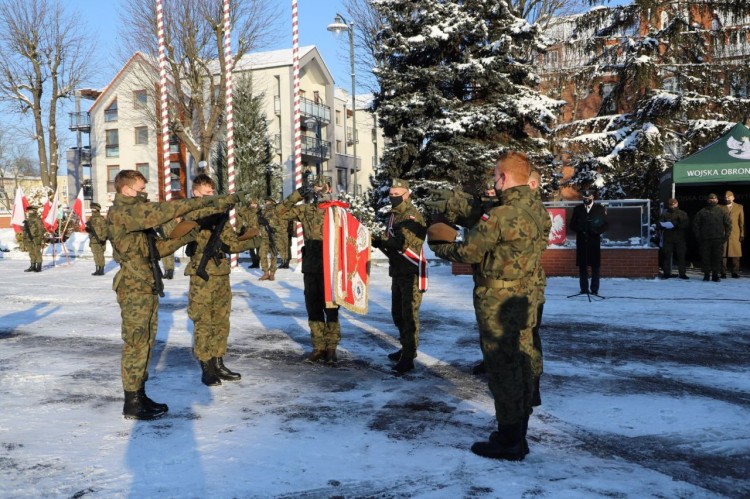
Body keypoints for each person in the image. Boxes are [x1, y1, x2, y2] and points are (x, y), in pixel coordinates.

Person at [429, 150, 547, 461]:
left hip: (498, 301)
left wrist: (438, 243)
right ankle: (517, 433)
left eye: (495, 176)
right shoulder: (536, 210)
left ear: (505, 178)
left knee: (502, 369)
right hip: (525, 297)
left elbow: (468, 252)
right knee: (521, 363)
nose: (492, 182)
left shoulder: (500, 216)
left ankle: (509, 441)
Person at [107, 169, 240, 420]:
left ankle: (139, 394)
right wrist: (209, 201)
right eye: (140, 190)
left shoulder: (135, 215)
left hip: (144, 285)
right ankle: (132, 401)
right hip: (133, 287)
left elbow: (156, 249)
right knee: (136, 343)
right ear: (126, 190)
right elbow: (166, 211)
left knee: (145, 342)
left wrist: (187, 235)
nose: (144, 195)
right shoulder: (124, 212)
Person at [184, 174, 262, 386]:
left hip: (221, 274)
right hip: (202, 275)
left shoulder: (219, 215)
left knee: (221, 320)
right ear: (195, 193)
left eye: (212, 192)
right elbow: (201, 214)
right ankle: (206, 366)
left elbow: (232, 244)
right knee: (203, 321)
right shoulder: (190, 210)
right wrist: (223, 202)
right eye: (207, 193)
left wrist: (255, 238)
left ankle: (218, 362)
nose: (211, 196)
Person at [276, 177, 341, 364]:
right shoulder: (306, 211)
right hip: (311, 267)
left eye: (324, 187)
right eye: (317, 187)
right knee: (313, 307)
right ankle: (318, 346)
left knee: (331, 308)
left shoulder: (337, 211)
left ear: (330, 188)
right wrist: (299, 193)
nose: (320, 190)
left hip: (331, 267)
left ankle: (331, 348)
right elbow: (280, 212)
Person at [372, 178, 427, 374]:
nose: (394, 198)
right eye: (391, 195)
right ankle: (405, 347)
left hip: (411, 272)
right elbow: (393, 245)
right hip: (398, 270)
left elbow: (404, 244)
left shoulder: (411, 216)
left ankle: (409, 356)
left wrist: (382, 241)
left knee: (409, 316)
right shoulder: (394, 215)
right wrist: (381, 243)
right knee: (398, 314)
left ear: (407, 194)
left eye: (397, 195)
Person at [569, 189, 608, 295]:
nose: (586, 200)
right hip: (582, 241)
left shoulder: (599, 209)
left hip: (594, 241)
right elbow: (572, 224)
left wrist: (596, 231)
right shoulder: (578, 209)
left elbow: (605, 225)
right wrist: (580, 229)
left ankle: (594, 289)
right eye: (584, 198)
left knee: (595, 266)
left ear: (592, 198)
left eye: (588, 198)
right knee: (583, 266)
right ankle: (584, 289)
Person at [693, 193, 731, 282]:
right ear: (707, 200)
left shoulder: (722, 211)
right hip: (705, 240)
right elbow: (696, 225)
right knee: (705, 258)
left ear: (717, 200)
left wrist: (726, 237)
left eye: (714, 199)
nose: (712, 200)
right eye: (710, 199)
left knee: (717, 258)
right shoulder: (702, 211)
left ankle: (715, 275)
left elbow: (728, 225)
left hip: (718, 239)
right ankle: (706, 275)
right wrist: (698, 237)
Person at [659, 198, 690, 279]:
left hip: (680, 238)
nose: (672, 206)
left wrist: (677, 224)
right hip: (668, 238)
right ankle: (666, 273)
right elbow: (659, 224)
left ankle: (682, 274)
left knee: (681, 256)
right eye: (671, 205)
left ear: (677, 204)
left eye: (674, 204)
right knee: (667, 256)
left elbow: (686, 224)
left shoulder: (682, 213)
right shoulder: (665, 214)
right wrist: (662, 226)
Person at [722, 191, 744, 278]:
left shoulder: (739, 207)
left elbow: (741, 222)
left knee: (736, 254)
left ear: (733, 197)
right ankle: (723, 272)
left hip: (735, 234)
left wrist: (742, 234)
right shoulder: (721, 207)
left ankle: (735, 272)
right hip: (724, 233)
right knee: (723, 254)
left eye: (728, 197)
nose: (727, 199)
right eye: (726, 197)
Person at [258, 197, 280, 281]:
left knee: (273, 254)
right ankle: (266, 272)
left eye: (268, 202)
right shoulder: (263, 211)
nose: (266, 203)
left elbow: (278, 222)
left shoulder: (276, 210)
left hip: (273, 235)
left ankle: (272, 273)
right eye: (265, 201)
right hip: (264, 236)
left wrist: (268, 223)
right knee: (262, 253)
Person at [236, 199, 261, 268]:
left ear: (257, 204)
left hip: (257, 231)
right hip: (249, 231)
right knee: (251, 248)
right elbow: (240, 212)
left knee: (258, 248)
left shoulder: (259, 212)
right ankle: (254, 263)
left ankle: (258, 262)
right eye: (251, 204)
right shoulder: (247, 212)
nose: (253, 205)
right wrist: (245, 206)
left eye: (254, 204)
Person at [85, 202, 108, 276]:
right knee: (95, 255)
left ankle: (101, 269)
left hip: (100, 239)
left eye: (94, 208)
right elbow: (90, 228)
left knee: (100, 255)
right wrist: (88, 230)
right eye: (92, 208)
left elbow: (105, 229)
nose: (92, 210)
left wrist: (103, 238)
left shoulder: (101, 219)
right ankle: (97, 269)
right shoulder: (91, 218)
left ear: (98, 209)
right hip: (93, 239)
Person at [22, 205, 45, 273]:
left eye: (31, 210)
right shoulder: (28, 220)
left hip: (35, 239)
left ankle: (39, 266)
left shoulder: (37, 219)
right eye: (29, 211)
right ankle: (32, 266)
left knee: (37, 252)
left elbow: (41, 230)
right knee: (31, 253)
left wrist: (39, 239)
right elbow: (26, 230)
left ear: (34, 211)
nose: (29, 212)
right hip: (28, 239)